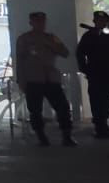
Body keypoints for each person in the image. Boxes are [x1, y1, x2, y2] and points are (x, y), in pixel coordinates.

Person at [14, 11, 77, 147]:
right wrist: (21, 80)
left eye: (43, 22)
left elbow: (65, 53)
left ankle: (67, 136)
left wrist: (51, 45)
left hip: (51, 78)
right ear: (31, 23)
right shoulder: (24, 39)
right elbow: (19, 61)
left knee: (63, 107)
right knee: (35, 110)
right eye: (37, 22)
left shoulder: (52, 38)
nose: (41, 24)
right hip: (33, 78)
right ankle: (41, 137)